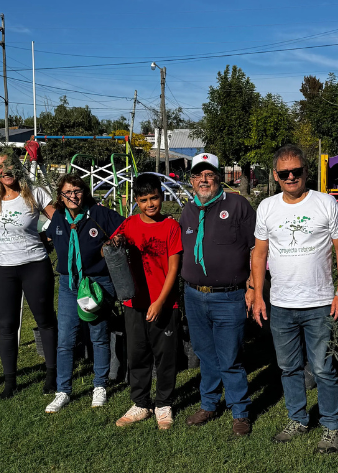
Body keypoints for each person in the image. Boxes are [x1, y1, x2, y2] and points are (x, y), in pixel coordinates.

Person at [251, 145, 338, 454]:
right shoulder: (267, 207)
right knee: (289, 367)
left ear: (306, 171)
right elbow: (259, 254)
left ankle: (332, 426)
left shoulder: (325, 203)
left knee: (323, 368)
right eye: (284, 173)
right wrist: (258, 295)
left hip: (319, 303)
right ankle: (297, 419)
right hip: (281, 304)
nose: (291, 177)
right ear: (276, 176)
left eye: (296, 171)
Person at [179, 153, 256, 437]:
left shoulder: (237, 205)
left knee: (230, 357)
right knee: (205, 355)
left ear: (218, 177)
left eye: (209, 174)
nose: (203, 180)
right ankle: (209, 404)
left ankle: (240, 411)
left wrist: (253, 286)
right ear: (191, 180)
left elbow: (257, 249)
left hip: (229, 296)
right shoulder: (188, 210)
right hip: (194, 296)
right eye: (198, 175)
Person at [42, 174, 125, 413]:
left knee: (98, 335)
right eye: (68, 192)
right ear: (60, 196)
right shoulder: (59, 217)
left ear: (84, 192)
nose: (73, 196)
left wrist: (115, 241)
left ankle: (100, 385)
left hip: (97, 283)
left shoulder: (99, 214)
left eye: (77, 191)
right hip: (70, 284)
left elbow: (125, 228)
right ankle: (63, 390)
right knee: (66, 339)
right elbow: (48, 236)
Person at [107, 173, 182, 429]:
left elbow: (174, 268)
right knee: (137, 354)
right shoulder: (128, 225)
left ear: (162, 196)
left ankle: (163, 404)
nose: (150, 204)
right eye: (144, 200)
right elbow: (108, 250)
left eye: (154, 198)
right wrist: (115, 243)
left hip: (164, 303)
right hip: (134, 303)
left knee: (165, 356)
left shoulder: (171, 227)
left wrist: (160, 302)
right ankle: (140, 403)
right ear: (136, 201)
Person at [0, 147, 57, 399]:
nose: (5, 170)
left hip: (35, 265)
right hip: (3, 270)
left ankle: (52, 374)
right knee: (7, 326)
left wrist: (47, 236)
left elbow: (60, 221)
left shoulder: (35, 193)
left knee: (45, 320)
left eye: (9, 164)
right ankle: (10, 381)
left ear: (18, 165)